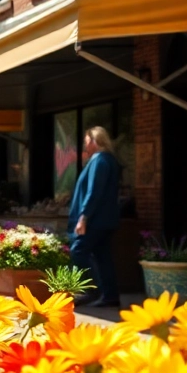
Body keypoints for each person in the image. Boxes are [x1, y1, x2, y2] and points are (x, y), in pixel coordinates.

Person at [68, 126, 122, 308]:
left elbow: (94, 192)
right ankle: (110, 296)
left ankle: (90, 290)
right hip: (106, 219)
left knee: (78, 251)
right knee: (103, 256)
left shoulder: (99, 160)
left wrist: (83, 217)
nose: (85, 145)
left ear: (93, 140)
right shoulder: (109, 160)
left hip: (95, 220)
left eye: (86, 141)